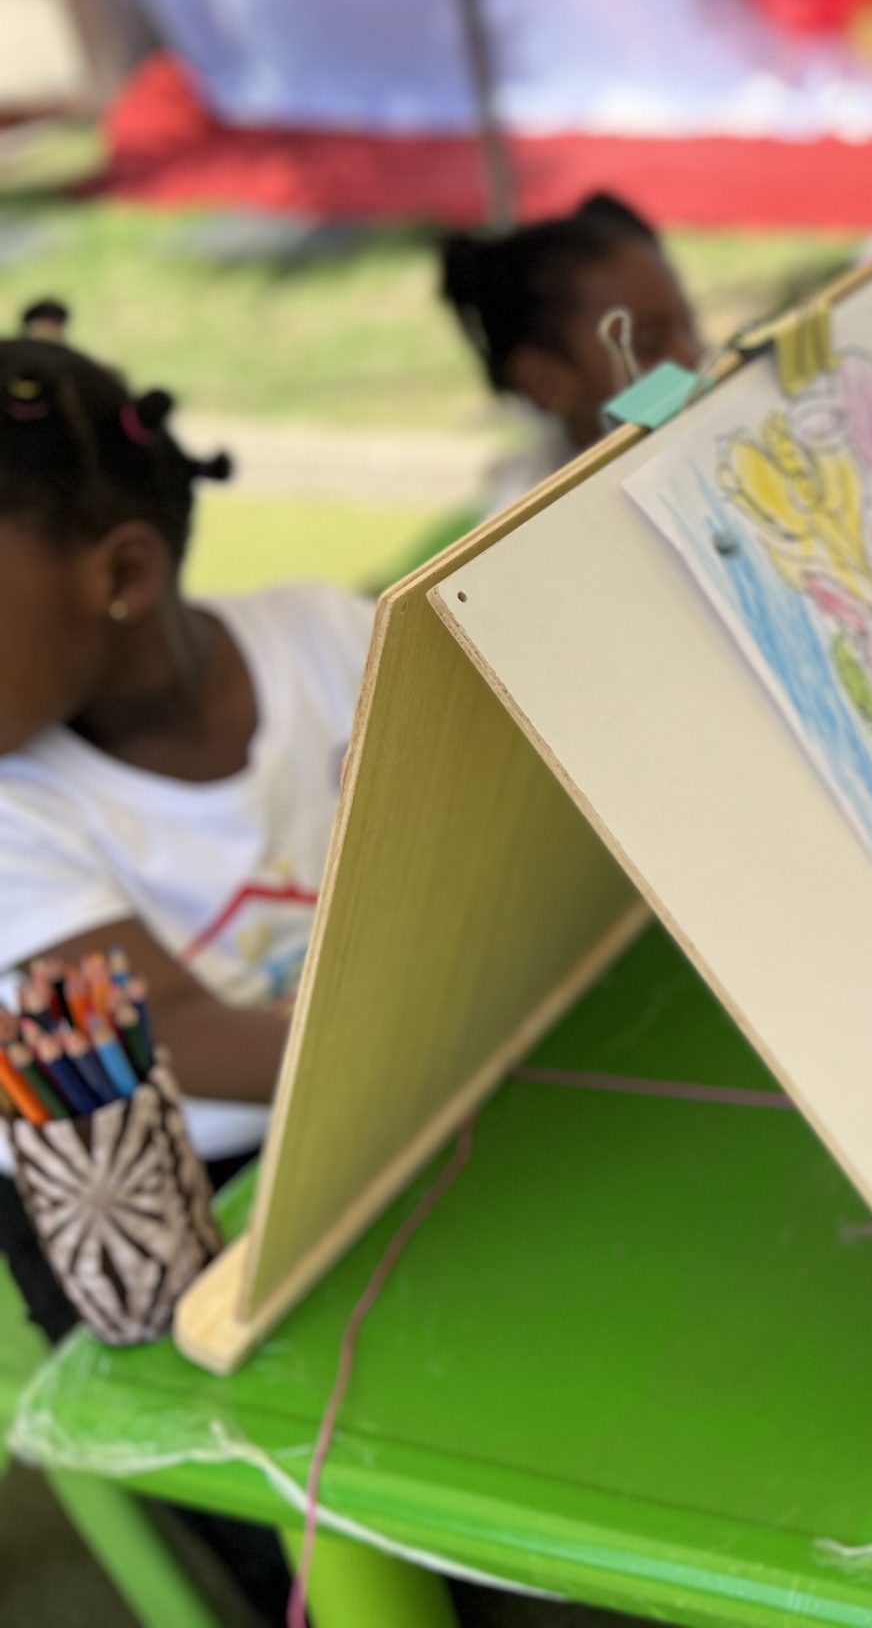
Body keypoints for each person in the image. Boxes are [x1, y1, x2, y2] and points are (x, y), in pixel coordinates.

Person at [0, 336, 372, 1338]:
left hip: (362, 1110)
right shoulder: (13, 805)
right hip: (159, 1196)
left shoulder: (330, 638)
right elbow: (170, 1027)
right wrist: (425, 1044)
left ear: (123, 572)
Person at [438, 192, 705, 492]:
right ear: (545, 382)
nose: (692, 356)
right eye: (648, 343)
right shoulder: (538, 515)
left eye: (689, 326)